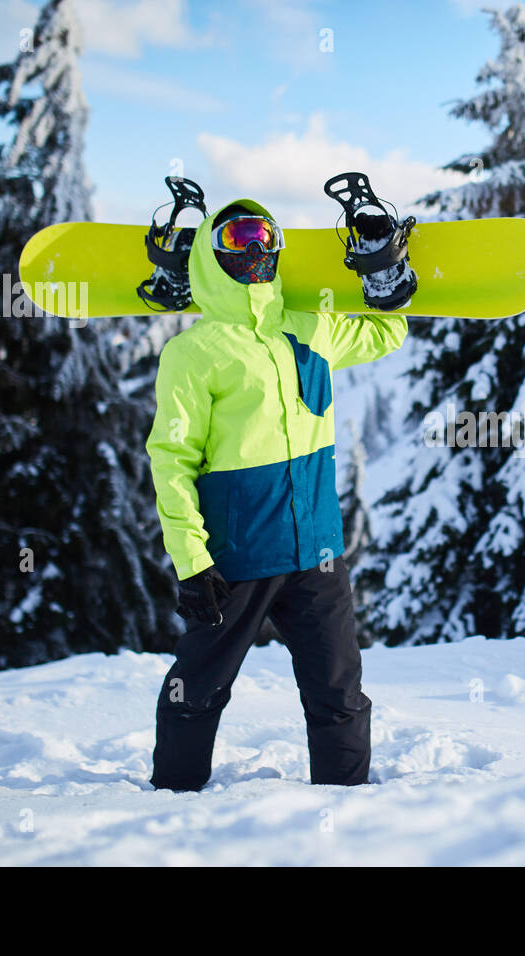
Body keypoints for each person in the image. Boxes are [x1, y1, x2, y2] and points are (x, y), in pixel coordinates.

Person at [145, 196, 407, 791]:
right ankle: (170, 803)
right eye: (238, 238)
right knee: (198, 686)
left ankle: (347, 806)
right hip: (237, 557)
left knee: (339, 688)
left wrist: (378, 268)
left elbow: (387, 330)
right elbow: (171, 459)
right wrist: (191, 562)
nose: (255, 248)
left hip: (317, 549)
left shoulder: (311, 328)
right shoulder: (193, 353)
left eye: (264, 234)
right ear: (214, 255)